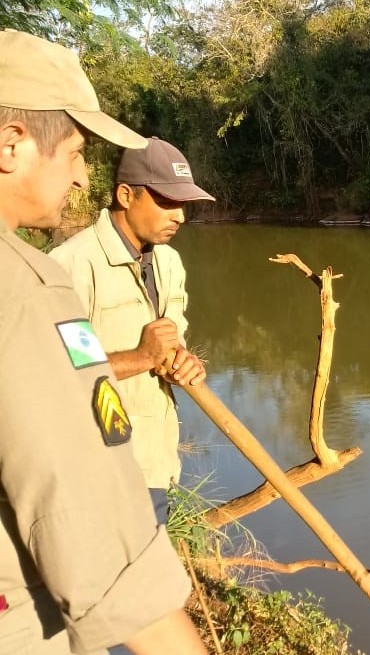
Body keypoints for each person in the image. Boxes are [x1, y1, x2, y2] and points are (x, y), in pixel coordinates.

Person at [0, 29, 207, 655]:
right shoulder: (44, 281)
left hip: (149, 462)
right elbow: (74, 513)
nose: (82, 174)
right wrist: (140, 358)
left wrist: (175, 364)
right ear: (11, 145)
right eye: (74, 151)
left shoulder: (167, 265)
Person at [51, 137, 213, 533]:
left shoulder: (168, 262)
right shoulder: (72, 268)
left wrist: (184, 363)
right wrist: (142, 356)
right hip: (101, 472)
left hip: (157, 461)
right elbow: (64, 373)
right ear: (126, 195)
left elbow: (173, 343)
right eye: (166, 202)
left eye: (183, 205)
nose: (179, 216)